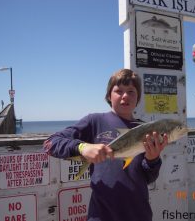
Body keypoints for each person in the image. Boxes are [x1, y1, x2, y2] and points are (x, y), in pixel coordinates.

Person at [43, 68, 168, 221]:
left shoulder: (146, 130)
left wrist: (152, 159)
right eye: (118, 91)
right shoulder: (94, 121)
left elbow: (148, 178)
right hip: (102, 215)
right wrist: (83, 147)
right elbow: (51, 143)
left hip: (139, 214)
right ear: (109, 95)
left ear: (138, 98)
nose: (125, 96)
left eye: (131, 91)